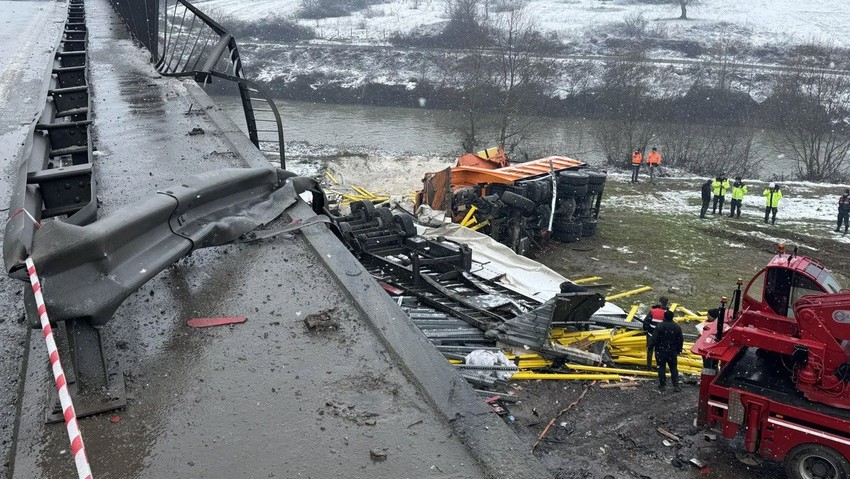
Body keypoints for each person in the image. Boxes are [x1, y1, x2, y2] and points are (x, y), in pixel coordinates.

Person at [654, 310, 683, 392]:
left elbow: (654, 338)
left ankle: (662, 385)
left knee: (661, 367)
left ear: (664, 316)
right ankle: (676, 385)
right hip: (672, 351)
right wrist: (679, 349)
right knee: (673, 368)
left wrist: (650, 347)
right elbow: (680, 339)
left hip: (660, 350)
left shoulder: (660, 326)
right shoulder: (677, 327)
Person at [642, 296, 669, 369]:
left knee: (650, 350)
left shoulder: (653, 311)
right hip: (661, 336)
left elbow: (646, 321)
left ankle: (649, 367)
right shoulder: (667, 313)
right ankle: (659, 366)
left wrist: (646, 330)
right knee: (659, 351)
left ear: (659, 302)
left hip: (651, 334)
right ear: (667, 303)